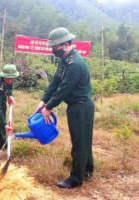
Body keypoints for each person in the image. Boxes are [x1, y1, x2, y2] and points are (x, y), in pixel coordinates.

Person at [35, 27, 95, 188]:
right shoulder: (64, 60)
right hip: (76, 106)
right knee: (83, 140)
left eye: (55, 48)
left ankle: (76, 178)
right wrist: (43, 100)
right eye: (52, 48)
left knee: (79, 142)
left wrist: (48, 107)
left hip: (81, 107)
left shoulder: (75, 64)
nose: (53, 51)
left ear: (66, 44)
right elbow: (55, 82)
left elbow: (63, 90)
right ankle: (87, 169)